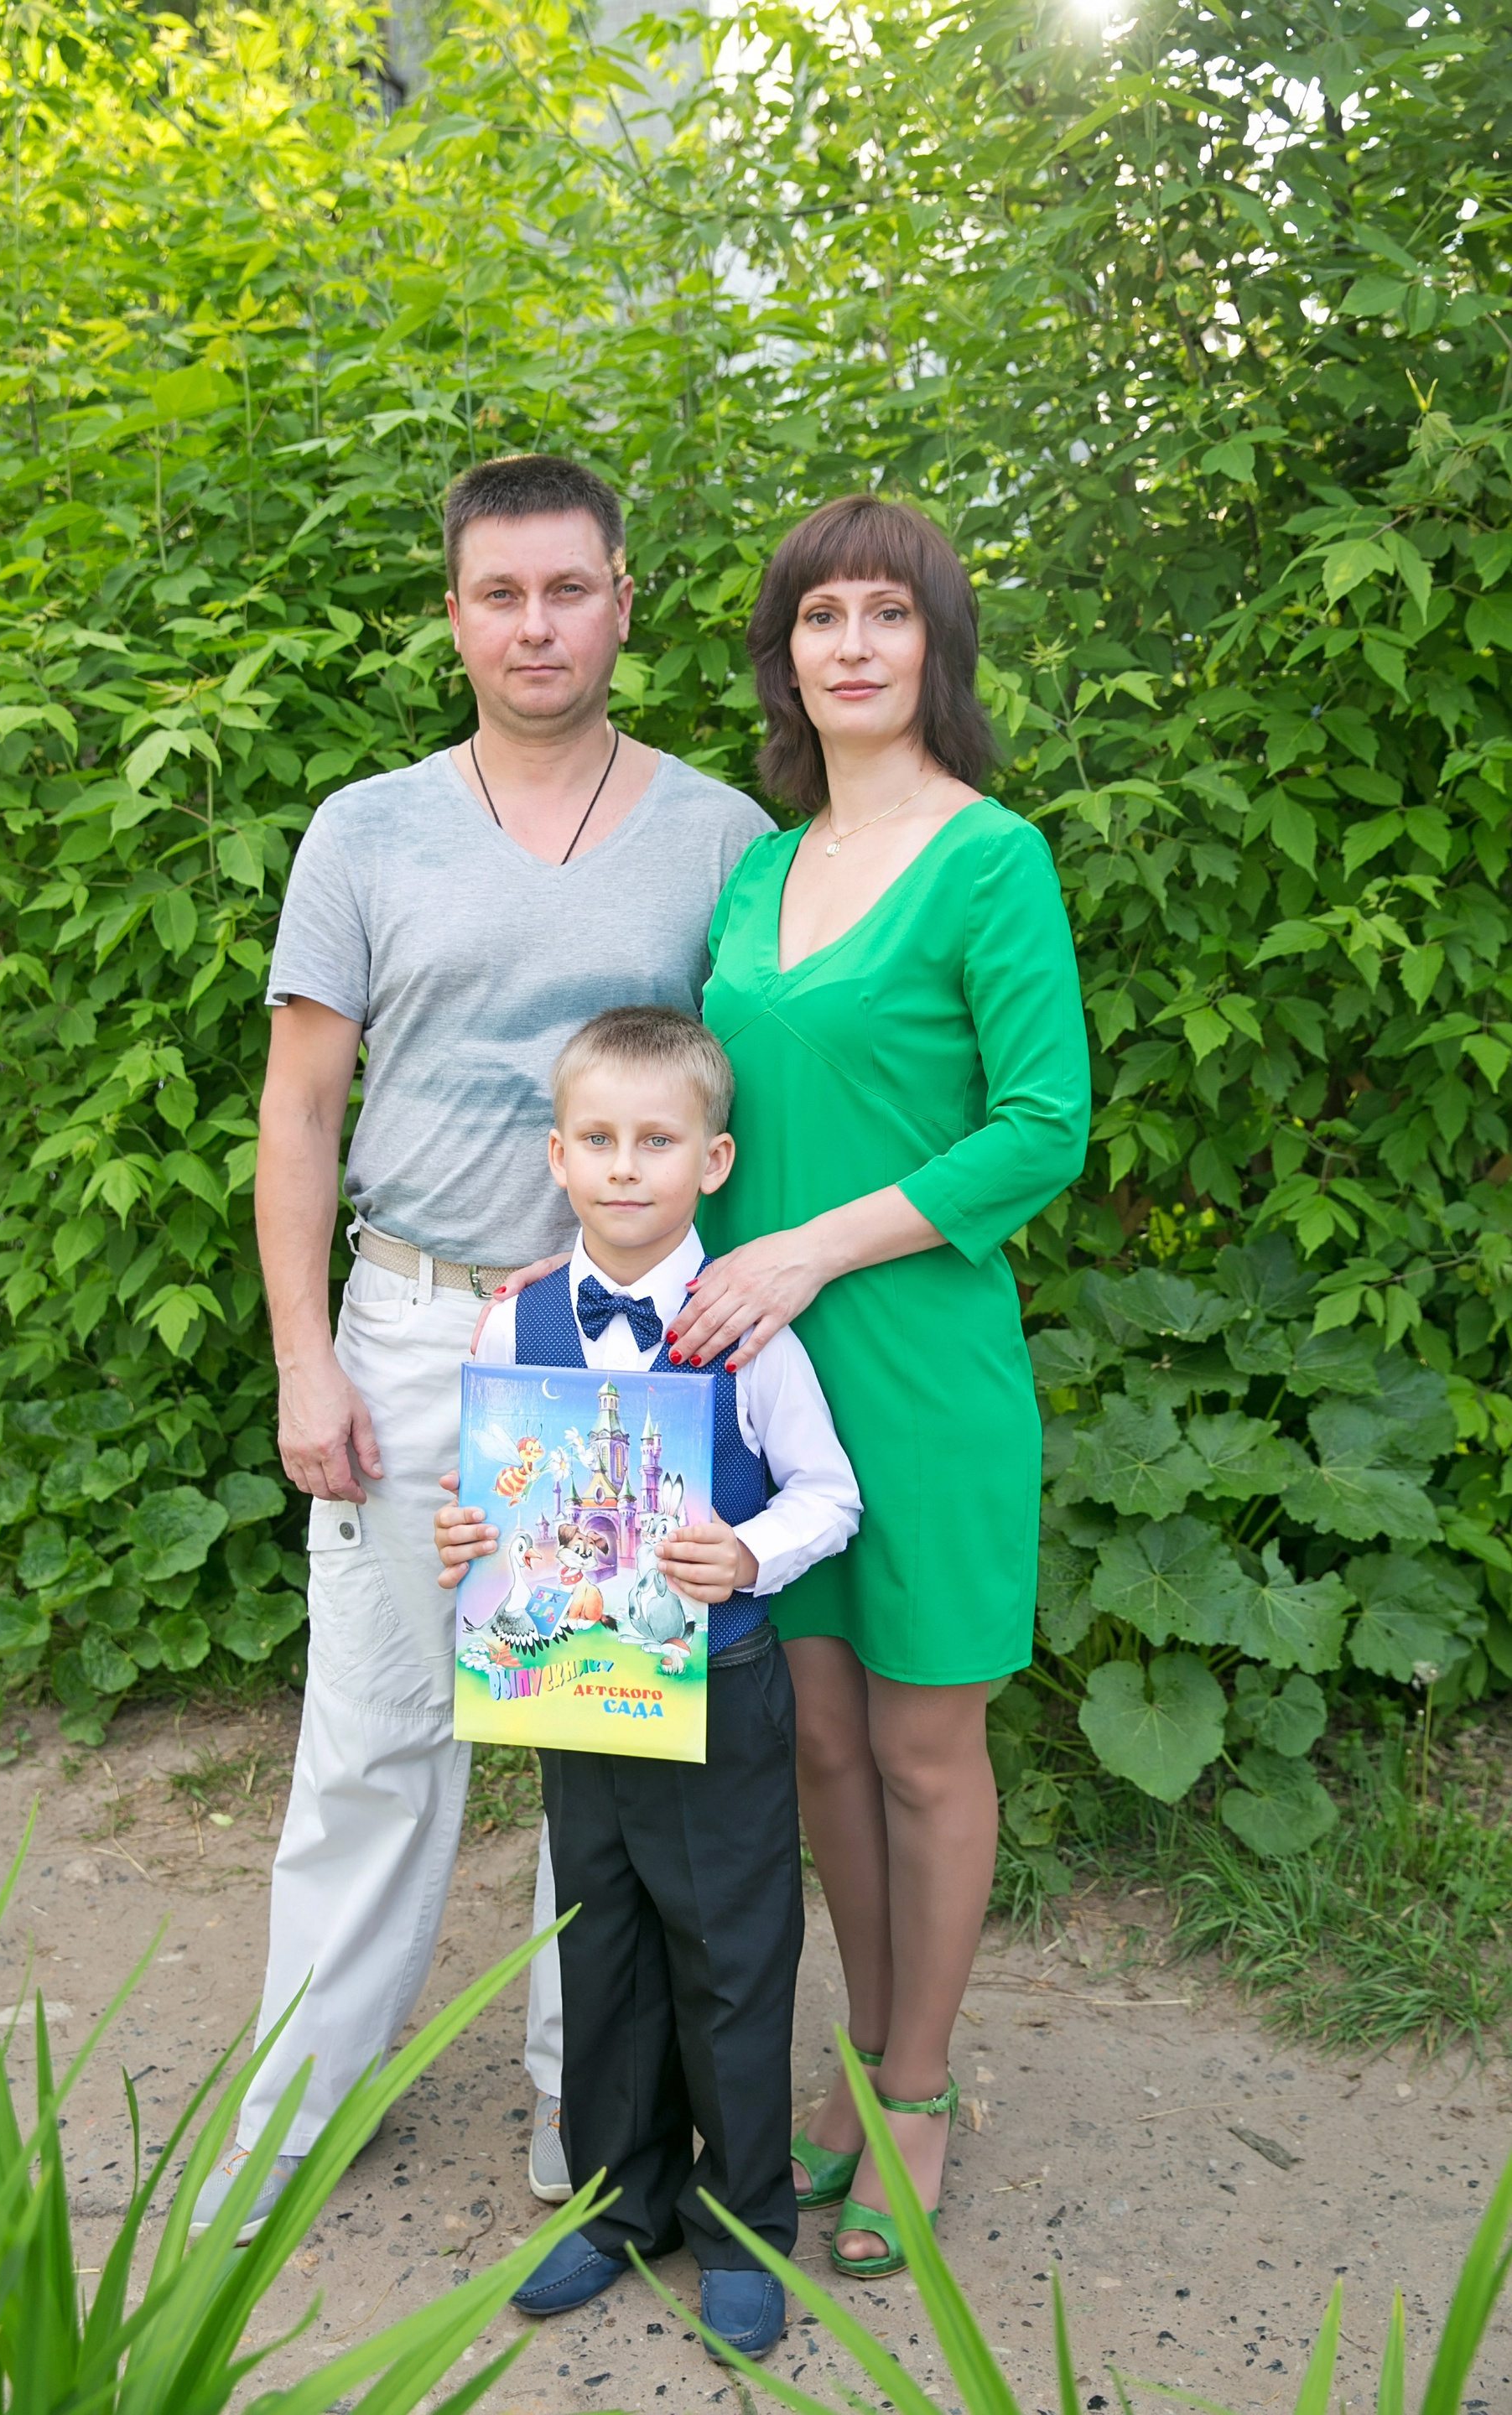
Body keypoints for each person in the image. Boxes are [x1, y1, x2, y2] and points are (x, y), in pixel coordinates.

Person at [190, 456, 771, 2241]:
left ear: (623, 602)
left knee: (602, 1748)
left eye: (568, 590)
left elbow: (752, 1112)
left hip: (623, 1355)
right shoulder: (366, 830)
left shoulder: (722, 836)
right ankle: (302, 2103)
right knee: (374, 1734)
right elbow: (300, 1110)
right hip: (415, 1323)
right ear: (453, 615)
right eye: (499, 594)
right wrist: (305, 1357)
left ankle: (584, 2112)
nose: (536, 626)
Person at [666, 494, 1091, 2277]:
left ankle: (919, 2081)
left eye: (887, 613)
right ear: (786, 657)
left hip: (914, 1368)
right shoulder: (757, 870)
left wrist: (807, 1253)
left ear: (938, 645)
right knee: (821, 1740)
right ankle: (855, 2052)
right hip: (766, 1379)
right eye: (821, 615)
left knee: (922, 1745)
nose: (853, 645)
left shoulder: (992, 860)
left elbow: (1043, 1129)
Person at [437, 1005, 860, 2363]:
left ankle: (742, 2226)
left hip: (719, 1689)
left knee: (729, 1955)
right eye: (601, 1140)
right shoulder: (512, 1323)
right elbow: (491, 1496)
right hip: (575, 1695)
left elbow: (829, 1496)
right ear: (558, 1157)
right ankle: (622, 2204)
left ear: (712, 1160)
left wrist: (749, 1554)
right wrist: (466, 1538)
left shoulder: (746, 1330)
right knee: (601, 1946)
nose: (627, 1167)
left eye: (658, 1141)